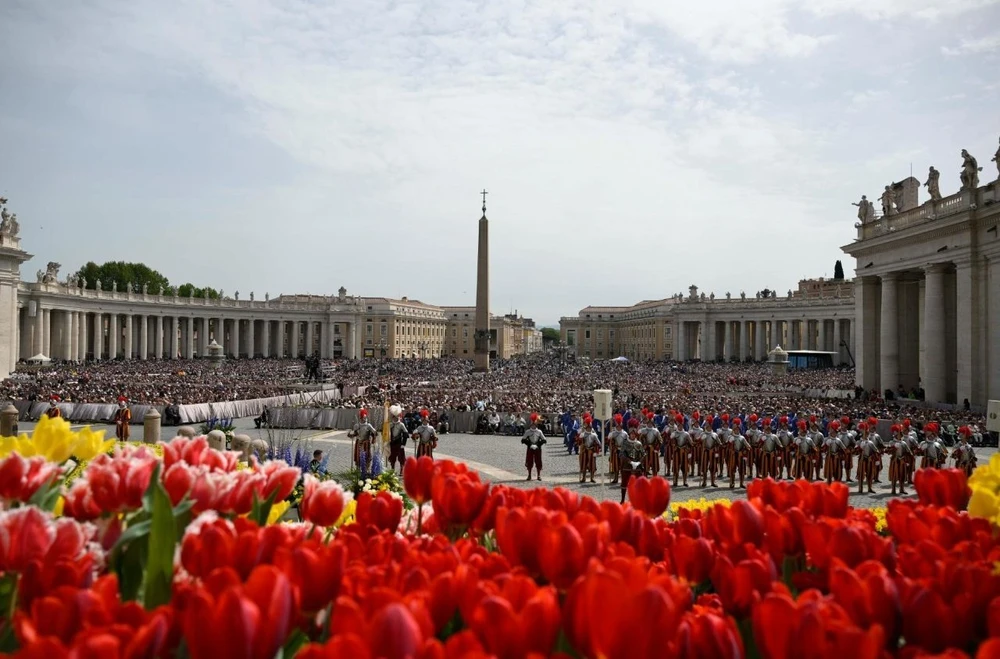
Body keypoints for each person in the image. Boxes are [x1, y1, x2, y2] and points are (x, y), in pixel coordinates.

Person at [619, 419, 645, 504]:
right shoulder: (625, 443)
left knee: (639, 484)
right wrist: (629, 461)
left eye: (634, 434)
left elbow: (644, 454)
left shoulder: (639, 443)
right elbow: (621, 454)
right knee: (624, 483)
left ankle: (638, 500)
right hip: (627, 466)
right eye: (631, 434)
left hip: (637, 466)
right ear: (629, 434)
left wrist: (639, 462)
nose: (633, 435)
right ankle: (623, 500)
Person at [855, 423, 879, 495]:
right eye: (865, 434)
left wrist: (875, 458)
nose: (866, 435)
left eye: (867, 434)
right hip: (862, 460)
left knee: (870, 474)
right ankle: (860, 488)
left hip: (869, 460)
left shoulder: (870, 443)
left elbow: (876, 451)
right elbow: (855, 451)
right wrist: (859, 448)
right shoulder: (859, 442)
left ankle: (870, 488)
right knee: (861, 474)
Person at [887, 425, 911, 496]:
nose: (899, 436)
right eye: (897, 435)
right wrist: (893, 448)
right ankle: (893, 489)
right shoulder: (891, 442)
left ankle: (902, 489)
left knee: (902, 475)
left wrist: (907, 460)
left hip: (902, 460)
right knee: (894, 475)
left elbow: (908, 452)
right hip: (894, 460)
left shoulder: (904, 443)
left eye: (900, 435)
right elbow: (888, 451)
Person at [521, 413, 546, 481]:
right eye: (532, 425)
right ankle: (529, 475)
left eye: (534, 425)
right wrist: (529, 444)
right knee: (529, 461)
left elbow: (544, 439)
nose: (533, 426)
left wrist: (538, 444)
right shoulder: (527, 432)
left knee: (538, 461)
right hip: (530, 448)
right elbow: (523, 440)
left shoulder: (539, 431)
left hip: (538, 448)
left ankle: (539, 475)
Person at [577, 414, 601, 484]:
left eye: (590, 428)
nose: (589, 429)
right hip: (584, 451)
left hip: (592, 451)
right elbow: (579, 442)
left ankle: (592, 478)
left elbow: (599, 443)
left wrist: (596, 450)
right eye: (588, 428)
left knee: (592, 464)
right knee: (584, 464)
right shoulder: (583, 433)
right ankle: (583, 477)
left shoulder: (594, 435)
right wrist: (580, 438)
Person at [606, 414, 627, 484]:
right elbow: (608, 439)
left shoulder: (625, 434)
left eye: (619, 426)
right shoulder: (613, 433)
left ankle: (623, 479)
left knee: (622, 465)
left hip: (622, 451)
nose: (618, 427)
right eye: (617, 426)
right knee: (616, 465)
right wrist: (610, 434)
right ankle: (616, 478)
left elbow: (627, 442)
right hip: (615, 451)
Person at [387, 405, 409, 474]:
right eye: (394, 417)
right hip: (392, 442)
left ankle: (401, 469)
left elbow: (405, 434)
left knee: (401, 457)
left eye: (397, 417)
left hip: (399, 442)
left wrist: (403, 444)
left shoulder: (401, 424)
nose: (395, 418)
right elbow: (387, 433)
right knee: (392, 456)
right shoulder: (390, 424)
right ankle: (392, 469)